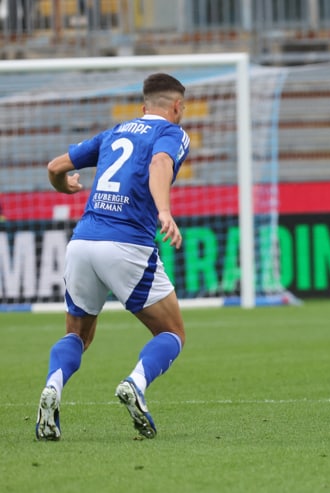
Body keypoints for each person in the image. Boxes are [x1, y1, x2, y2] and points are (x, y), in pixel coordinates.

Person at [35, 73, 190, 440]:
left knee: (78, 336)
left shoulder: (115, 132)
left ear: (142, 107)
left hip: (83, 243)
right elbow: (159, 165)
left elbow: (55, 168)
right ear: (177, 107)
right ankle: (135, 384)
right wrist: (164, 212)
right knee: (172, 332)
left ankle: (52, 387)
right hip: (127, 245)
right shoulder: (171, 133)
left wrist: (66, 188)